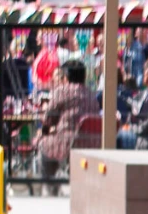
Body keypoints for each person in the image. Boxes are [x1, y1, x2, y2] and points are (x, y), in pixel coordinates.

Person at [35, 60, 100, 194]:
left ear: (67, 77)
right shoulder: (92, 95)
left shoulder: (62, 91)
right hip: (92, 143)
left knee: (42, 146)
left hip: (67, 142)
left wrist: (44, 132)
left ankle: (50, 188)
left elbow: (49, 119)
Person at [118, 64, 148, 149]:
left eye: (145, 74)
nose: (143, 77)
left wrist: (130, 128)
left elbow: (147, 126)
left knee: (117, 136)